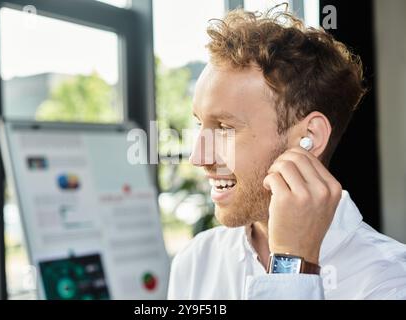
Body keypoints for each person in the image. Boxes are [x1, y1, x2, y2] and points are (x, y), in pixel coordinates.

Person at [167, 8, 406, 299]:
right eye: (199, 123)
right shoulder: (195, 262)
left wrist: (293, 266)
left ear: (309, 137)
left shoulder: (390, 281)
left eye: (225, 128)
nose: (198, 158)